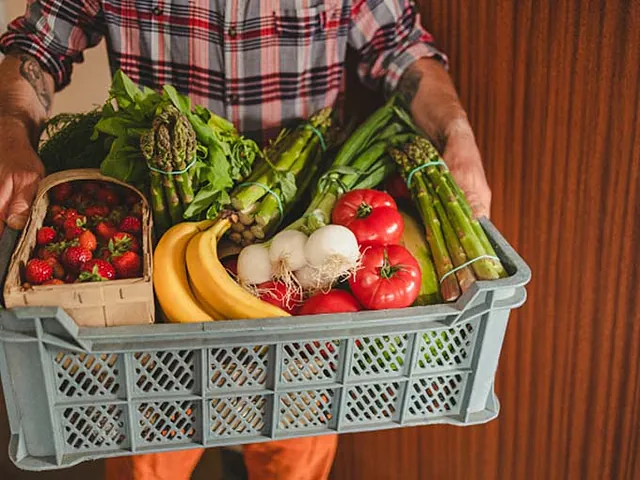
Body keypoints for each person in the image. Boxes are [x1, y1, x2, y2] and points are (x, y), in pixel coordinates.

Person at [0, 1, 492, 479]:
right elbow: (39, 46)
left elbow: (401, 48)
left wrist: (457, 130)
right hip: (159, 253)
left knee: (292, 450)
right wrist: (10, 131)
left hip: (295, 267)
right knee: (149, 449)